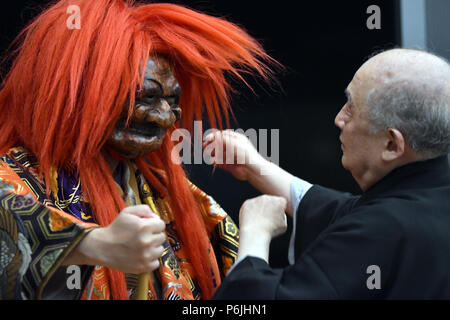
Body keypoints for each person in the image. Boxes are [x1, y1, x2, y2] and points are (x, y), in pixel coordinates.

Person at [0, 0, 277, 300]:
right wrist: (95, 244)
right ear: (83, 93)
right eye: (146, 97)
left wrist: (255, 232)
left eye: (172, 101)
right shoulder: (14, 180)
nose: (165, 117)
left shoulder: (180, 202)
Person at [209, 48, 450, 299]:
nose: (339, 118)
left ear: (391, 144)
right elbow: (344, 210)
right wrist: (254, 166)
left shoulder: (382, 230)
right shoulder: (430, 200)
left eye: (352, 109)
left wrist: (256, 231)